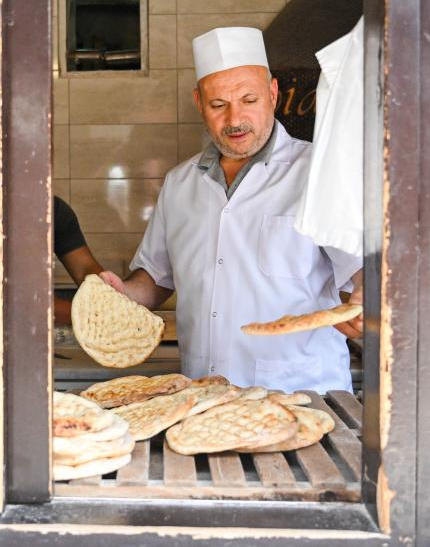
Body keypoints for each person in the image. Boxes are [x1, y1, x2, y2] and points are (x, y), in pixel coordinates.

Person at [100, 27, 363, 393]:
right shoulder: (179, 184)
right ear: (199, 103)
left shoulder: (319, 173)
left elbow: (364, 268)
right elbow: (157, 278)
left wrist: (368, 295)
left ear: (273, 94)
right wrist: (124, 294)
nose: (235, 119)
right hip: (204, 397)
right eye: (218, 105)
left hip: (299, 394)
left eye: (248, 100)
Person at [53, 195, 104, 324]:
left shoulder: (55, 210)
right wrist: (91, 316)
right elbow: (24, 300)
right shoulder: (4, 215)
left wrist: (110, 300)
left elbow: (86, 270)